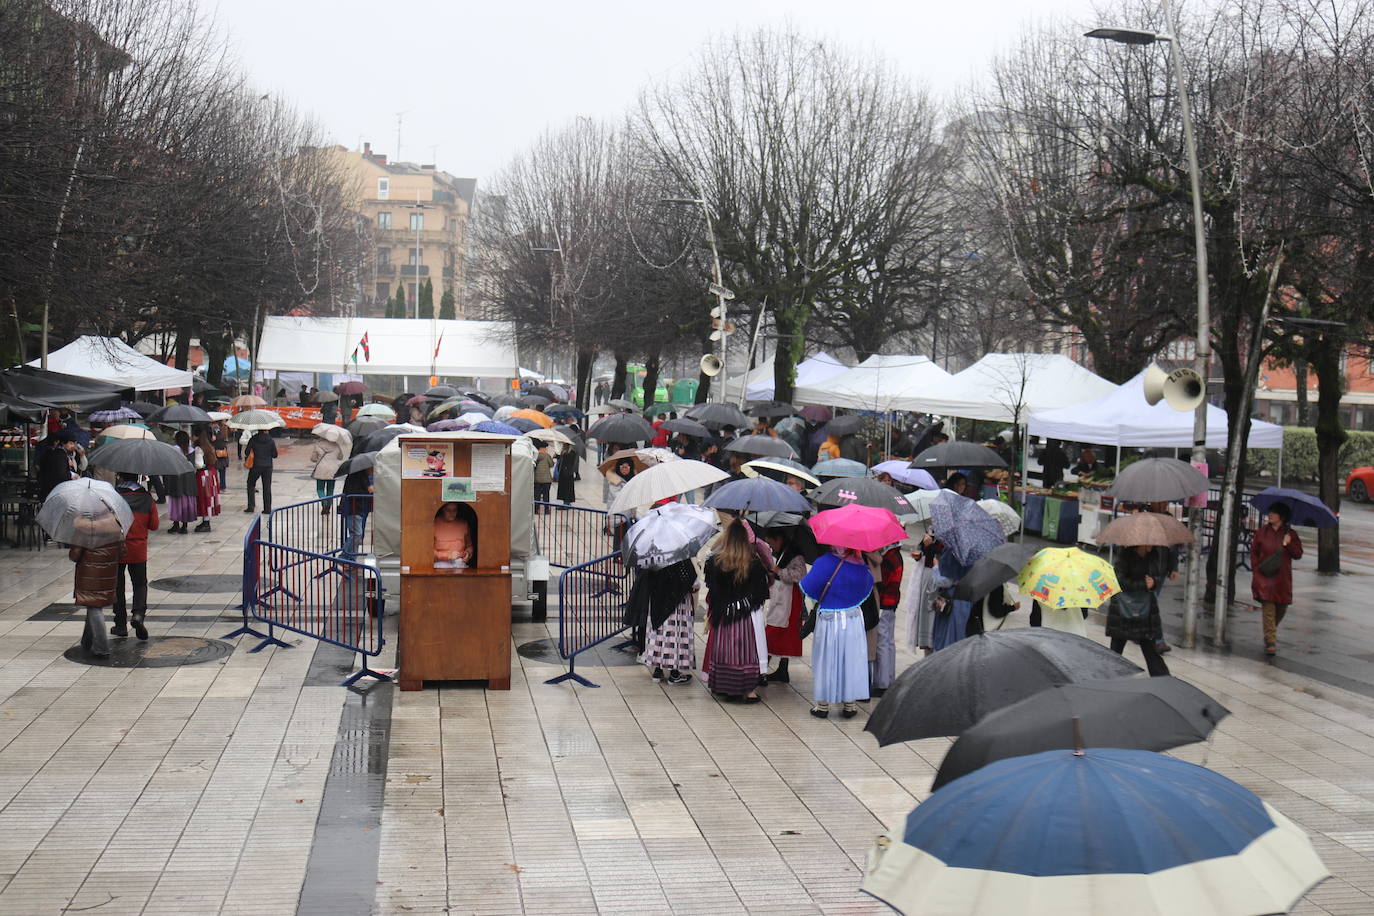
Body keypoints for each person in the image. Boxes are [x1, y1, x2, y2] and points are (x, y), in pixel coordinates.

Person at [801, 546, 875, 718]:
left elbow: (809, 587)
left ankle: (823, 706)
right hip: (853, 620)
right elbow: (867, 585)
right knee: (850, 659)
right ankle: (849, 705)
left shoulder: (823, 562)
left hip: (829, 621)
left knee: (826, 658)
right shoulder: (860, 564)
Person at [702, 518, 770, 703]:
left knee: (725, 649)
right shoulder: (753, 562)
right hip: (746, 613)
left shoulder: (716, 561)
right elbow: (761, 591)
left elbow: (713, 590)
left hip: (724, 613)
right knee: (746, 650)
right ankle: (748, 691)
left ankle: (727, 687)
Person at [629, 558, 698, 685]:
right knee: (675, 636)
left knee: (658, 635)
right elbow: (694, 583)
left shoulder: (653, 557)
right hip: (677, 603)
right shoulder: (681, 558)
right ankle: (674, 673)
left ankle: (657, 670)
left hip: (657, 602)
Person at [1106, 544, 1171, 676]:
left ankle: (1162, 678)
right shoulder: (1124, 557)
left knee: (1150, 647)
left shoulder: (1153, 555)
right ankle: (1108, 676)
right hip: (1124, 609)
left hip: (1145, 608)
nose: (1152, 545)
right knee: (1116, 648)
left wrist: (1154, 583)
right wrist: (1142, 584)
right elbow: (1119, 581)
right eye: (1149, 543)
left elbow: (1156, 577)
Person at [1251, 502, 1303, 656]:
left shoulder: (1290, 534)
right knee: (1268, 608)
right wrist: (1255, 569)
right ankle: (1271, 641)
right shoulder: (1262, 532)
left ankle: (1269, 631)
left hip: (1282, 578)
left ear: (1282, 516)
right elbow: (1254, 551)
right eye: (1270, 512)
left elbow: (1298, 554)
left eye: (1274, 513)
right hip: (1264, 576)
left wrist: (1288, 544)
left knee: (1281, 608)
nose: (1270, 515)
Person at [69, 513, 124, 657]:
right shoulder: (116, 525)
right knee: (93, 603)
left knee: (94, 607)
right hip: (109, 573)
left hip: (89, 573)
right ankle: (86, 641)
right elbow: (123, 551)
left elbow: (74, 555)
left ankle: (101, 647)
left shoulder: (83, 528)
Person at [112, 473, 158, 640]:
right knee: (140, 584)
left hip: (117, 547)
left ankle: (120, 624)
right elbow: (154, 525)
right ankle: (138, 614)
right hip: (138, 549)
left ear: (121, 478)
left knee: (117, 586)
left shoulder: (113, 497)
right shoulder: (146, 499)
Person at [761, 529, 807, 684]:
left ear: (779, 539)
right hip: (781, 597)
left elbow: (799, 575)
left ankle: (762, 669)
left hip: (790, 601)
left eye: (771, 542)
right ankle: (781, 669)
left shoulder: (795, 556)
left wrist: (779, 571)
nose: (771, 546)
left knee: (774, 633)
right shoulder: (782, 553)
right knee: (777, 632)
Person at [868, 544, 904, 696]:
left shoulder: (889, 558)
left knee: (881, 642)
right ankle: (889, 678)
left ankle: (881, 682)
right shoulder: (897, 556)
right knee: (888, 642)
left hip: (884, 603)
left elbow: (882, 582)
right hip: (892, 603)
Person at [165, 430, 199, 534]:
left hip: (177, 478)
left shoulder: (174, 449)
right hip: (189, 479)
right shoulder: (192, 450)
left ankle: (176, 524)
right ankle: (184, 526)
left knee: (176, 500)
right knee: (186, 500)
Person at [340, 463, 372, 558]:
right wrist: (369, 489)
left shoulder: (363, 476)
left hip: (359, 509)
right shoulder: (358, 476)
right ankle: (344, 556)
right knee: (357, 534)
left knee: (357, 534)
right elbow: (351, 492)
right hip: (353, 509)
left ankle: (351, 559)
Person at [191, 426, 220, 532]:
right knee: (209, 497)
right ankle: (206, 520)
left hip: (203, 475)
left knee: (203, 497)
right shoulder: (209, 446)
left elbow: (199, 464)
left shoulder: (198, 449)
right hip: (211, 474)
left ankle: (205, 522)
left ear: (197, 436)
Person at [310, 430, 347, 512]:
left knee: (320, 489)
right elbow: (340, 457)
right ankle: (328, 507)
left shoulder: (318, 445)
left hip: (321, 469)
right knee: (330, 490)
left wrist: (318, 458)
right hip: (333, 471)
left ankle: (324, 504)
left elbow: (313, 458)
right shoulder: (336, 445)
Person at [245, 428, 278, 514]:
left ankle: (251, 506)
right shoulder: (270, 440)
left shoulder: (253, 439)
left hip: (256, 465)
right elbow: (275, 455)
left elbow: (246, 452)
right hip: (267, 466)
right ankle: (267, 508)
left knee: (251, 484)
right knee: (267, 487)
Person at [433, 502, 474, 568]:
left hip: (459, 563)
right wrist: (448, 556)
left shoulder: (463, 524)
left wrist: (468, 554)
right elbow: (428, 551)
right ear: (442, 510)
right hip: (440, 564)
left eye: (454, 510)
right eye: (448, 510)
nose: (452, 513)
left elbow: (469, 546)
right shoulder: (434, 524)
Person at [555, 441, 579, 507]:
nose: (563, 445)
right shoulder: (564, 452)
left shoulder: (571, 453)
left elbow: (569, 462)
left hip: (567, 473)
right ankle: (566, 502)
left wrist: (563, 455)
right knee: (564, 488)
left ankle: (567, 503)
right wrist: (558, 455)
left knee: (567, 488)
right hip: (564, 473)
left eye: (564, 444)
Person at [532, 444, 554, 511]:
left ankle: (536, 509)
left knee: (537, 495)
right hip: (546, 480)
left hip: (537, 479)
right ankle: (546, 510)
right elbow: (551, 464)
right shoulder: (547, 456)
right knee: (546, 495)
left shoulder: (535, 456)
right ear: (544, 449)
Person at [210, 421, 230, 490]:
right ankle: (216, 485)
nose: (214, 425)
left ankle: (222, 486)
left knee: (222, 471)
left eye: (215, 423)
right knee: (215, 470)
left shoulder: (223, 430)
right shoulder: (211, 432)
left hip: (221, 454)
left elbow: (224, 441)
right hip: (215, 454)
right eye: (213, 423)